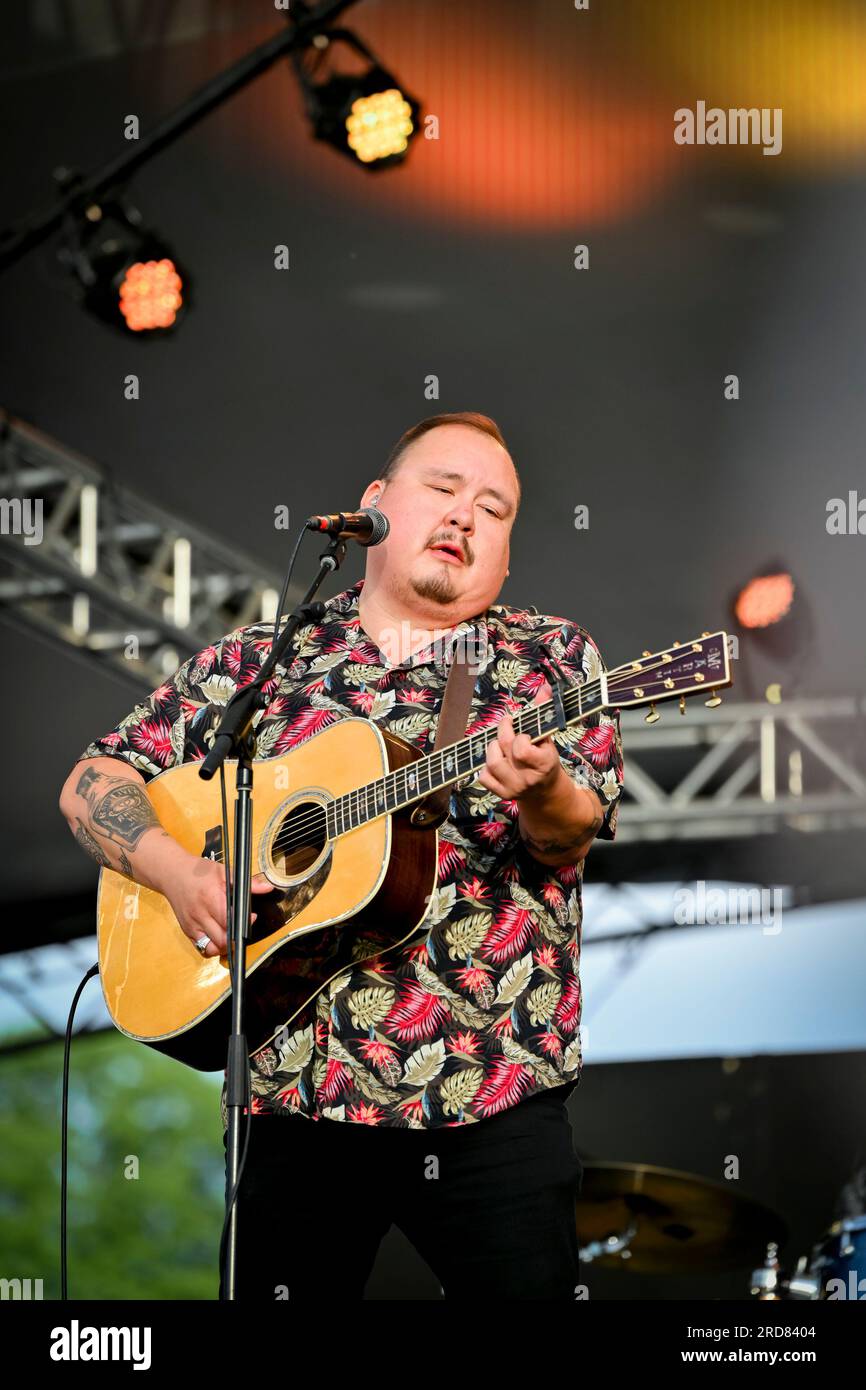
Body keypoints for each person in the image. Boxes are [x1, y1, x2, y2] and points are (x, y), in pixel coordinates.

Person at [59, 411, 624, 1300]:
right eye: (442, 488)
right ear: (374, 506)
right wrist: (180, 872)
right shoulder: (262, 662)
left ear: (506, 554)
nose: (464, 516)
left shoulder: (549, 659)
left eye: (494, 507)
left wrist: (544, 785)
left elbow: (567, 834)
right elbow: (93, 779)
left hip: (492, 1094)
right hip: (292, 1097)